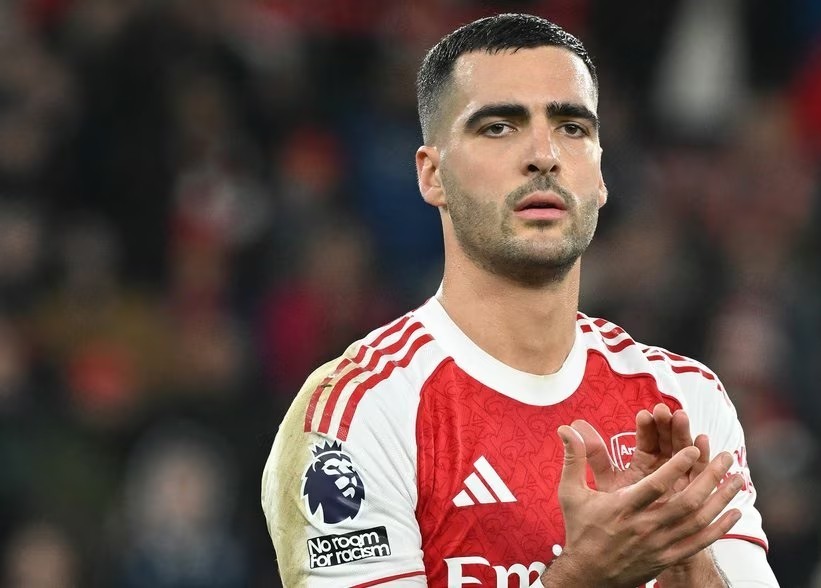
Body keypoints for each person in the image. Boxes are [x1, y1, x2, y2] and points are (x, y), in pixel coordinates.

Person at [262, 13, 779, 587]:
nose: (543, 154)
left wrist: (682, 556)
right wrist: (586, 576)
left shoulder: (686, 399)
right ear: (432, 175)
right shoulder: (358, 416)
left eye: (572, 127)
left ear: (600, 175)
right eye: (499, 127)